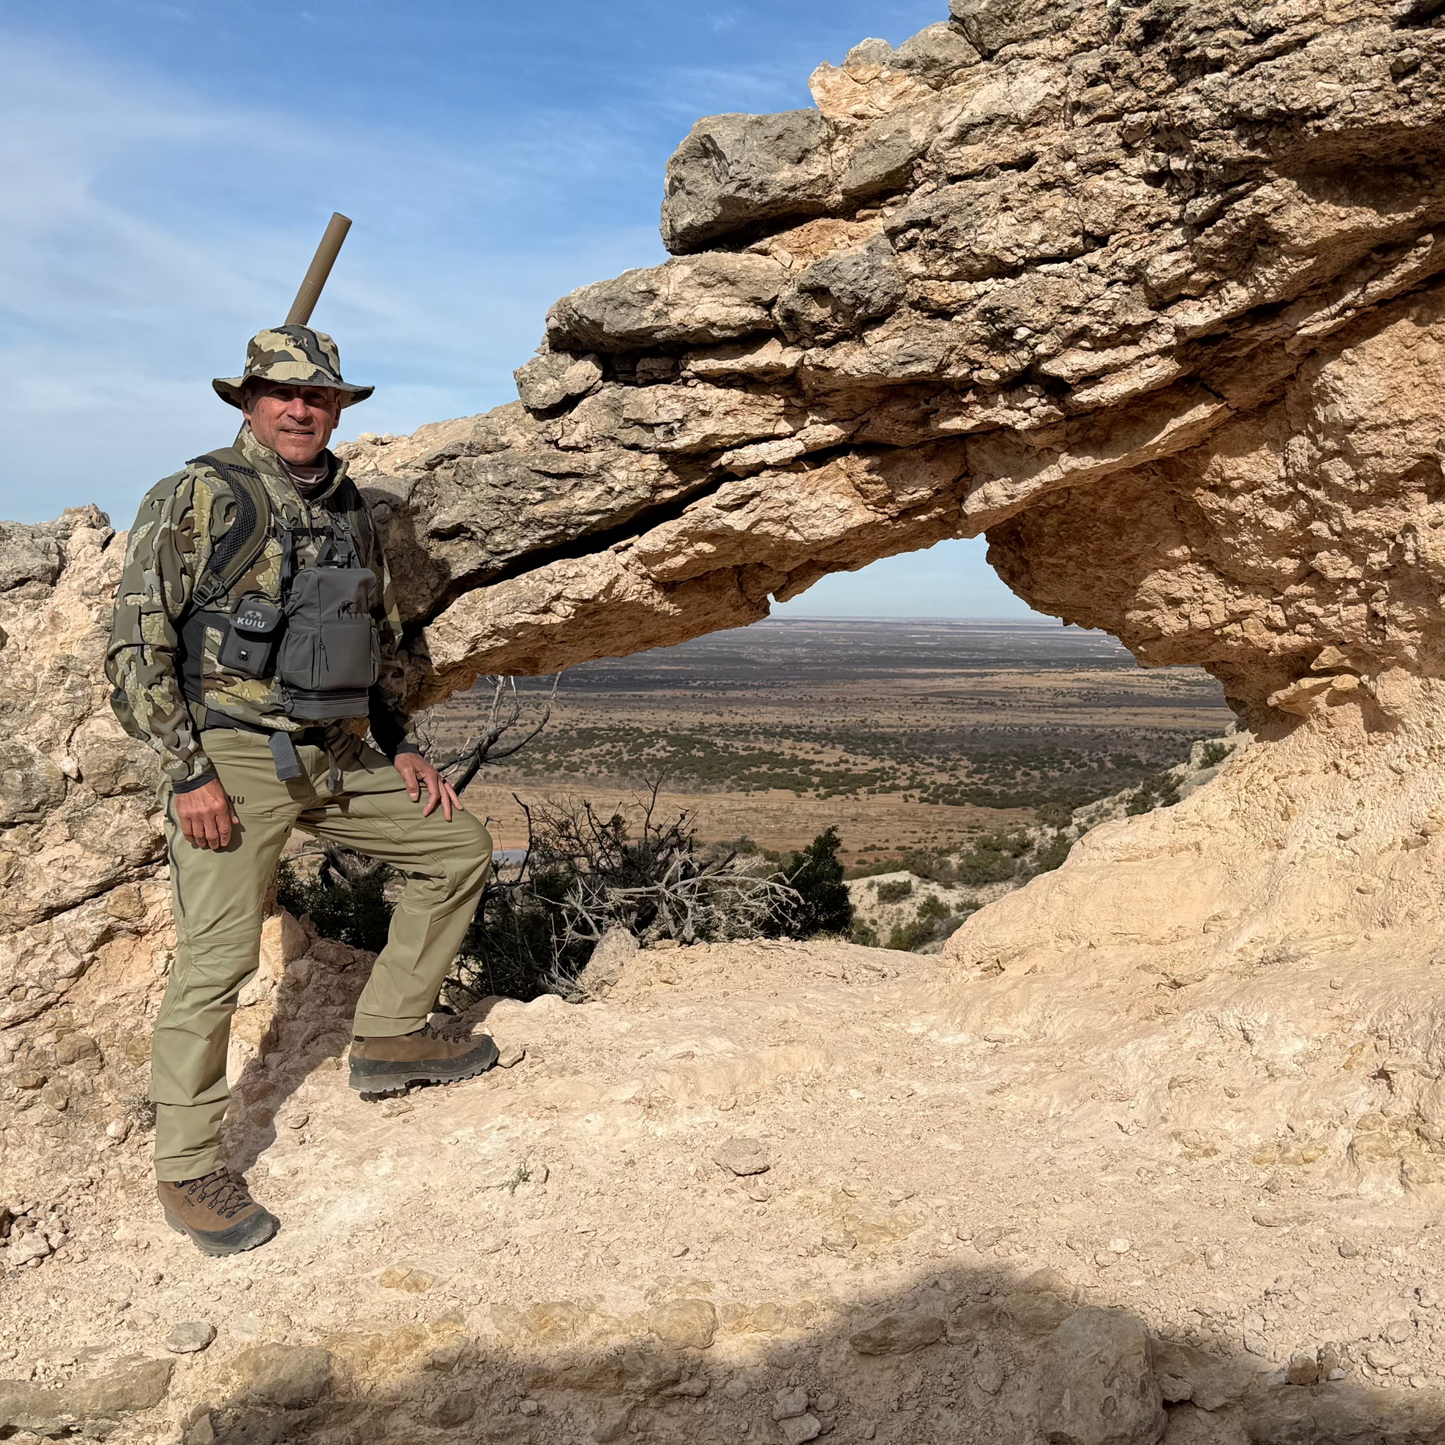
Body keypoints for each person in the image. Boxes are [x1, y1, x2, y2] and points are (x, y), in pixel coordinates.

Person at [107, 325, 497, 1257]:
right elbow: (135, 651)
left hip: (337, 752)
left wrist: (398, 743)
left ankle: (391, 1037)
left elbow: (385, 635)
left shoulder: (351, 506)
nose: (299, 409)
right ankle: (189, 1164)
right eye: (280, 394)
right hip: (235, 759)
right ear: (248, 402)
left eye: (317, 397)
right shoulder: (195, 494)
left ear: (336, 409)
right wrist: (188, 769)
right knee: (216, 962)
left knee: (456, 848)